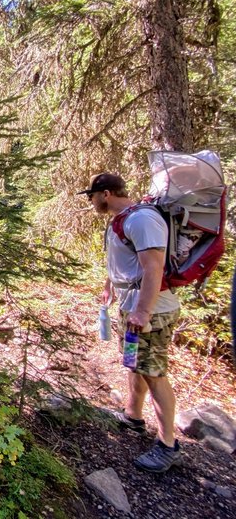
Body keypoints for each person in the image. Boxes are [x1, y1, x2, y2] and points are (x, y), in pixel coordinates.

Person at [78, 173, 182, 473]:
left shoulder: (141, 220)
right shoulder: (121, 220)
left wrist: (143, 312)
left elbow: (154, 267)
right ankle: (133, 416)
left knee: (154, 373)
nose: (91, 201)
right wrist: (110, 285)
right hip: (130, 307)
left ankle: (168, 445)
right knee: (134, 362)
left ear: (106, 193)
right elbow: (124, 261)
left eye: (92, 196)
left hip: (151, 311)